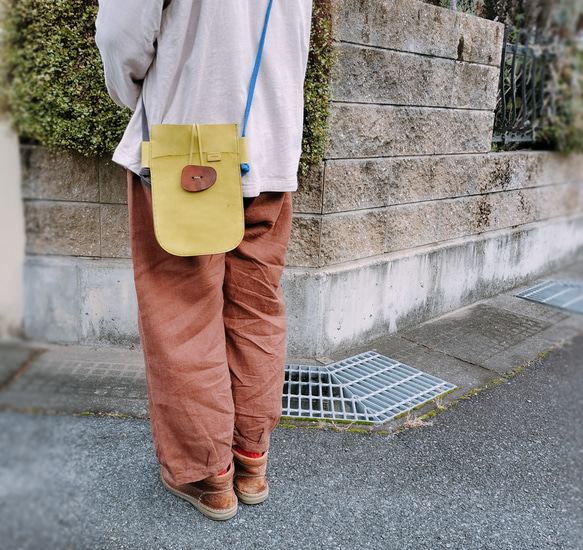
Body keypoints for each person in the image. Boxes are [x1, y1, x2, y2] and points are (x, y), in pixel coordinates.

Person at [95, 0, 312, 521]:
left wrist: (146, 99)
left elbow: (123, 35)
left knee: (181, 309)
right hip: (272, 147)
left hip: (186, 145)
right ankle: (250, 458)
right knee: (256, 308)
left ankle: (206, 471)